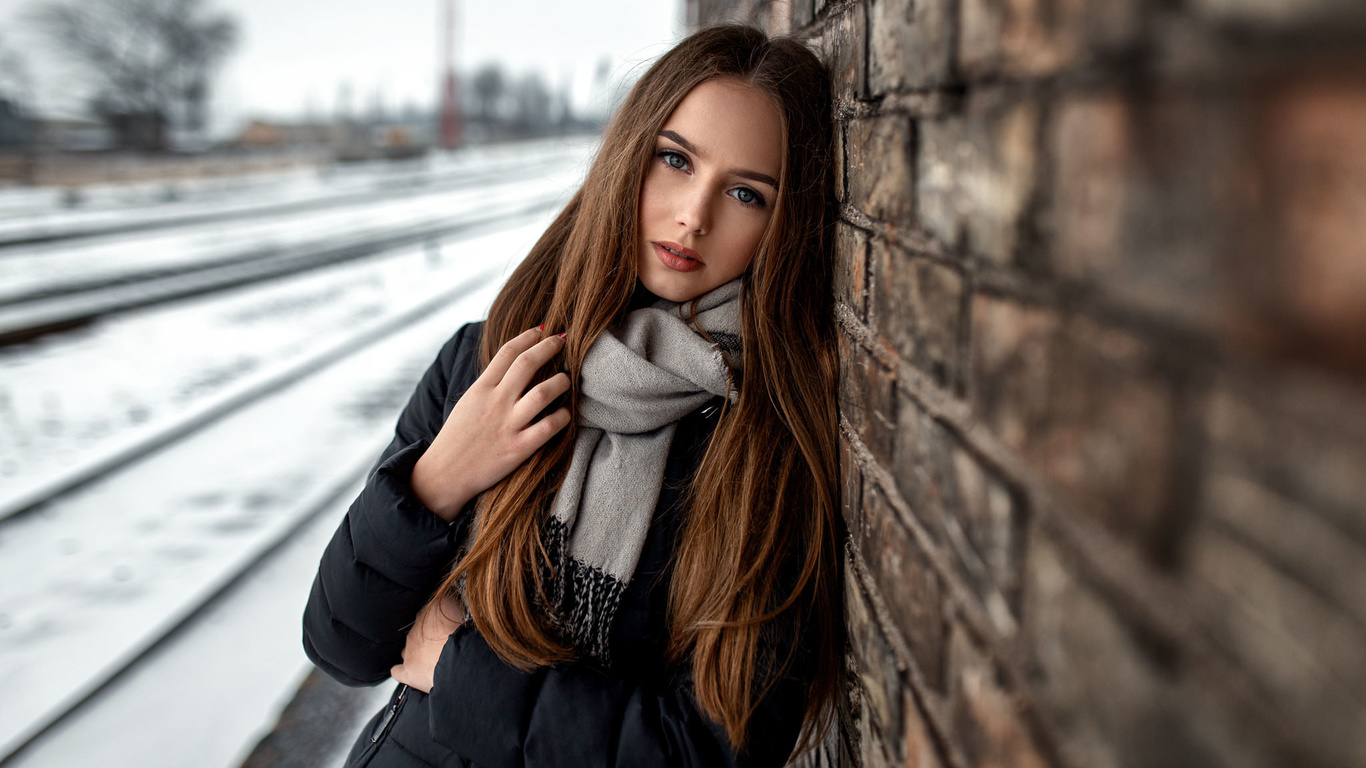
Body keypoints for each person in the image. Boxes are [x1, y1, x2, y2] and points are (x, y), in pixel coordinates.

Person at [303, 24, 841, 768]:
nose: (694, 215)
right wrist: (437, 481)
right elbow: (343, 641)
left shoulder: (765, 444)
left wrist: (459, 674)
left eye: (746, 192)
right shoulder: (491, 360)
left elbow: (716, 749)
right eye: (676, 160)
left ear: (784, 225)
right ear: (630, 158)